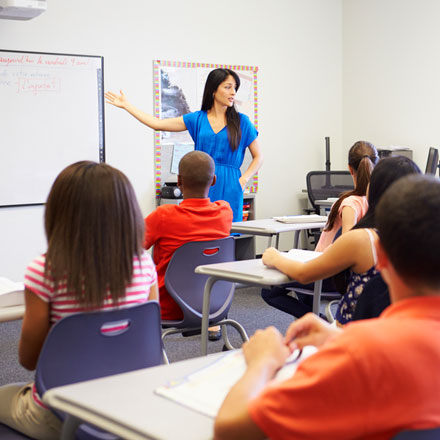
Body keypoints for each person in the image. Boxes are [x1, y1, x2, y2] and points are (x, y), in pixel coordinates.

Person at [214, 174, 440, 439]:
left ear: (382, 259)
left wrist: (262, 362)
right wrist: (339, 339)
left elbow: (230, 430)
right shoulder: (366, 347)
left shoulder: (362, 355)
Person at [0, 161, 158, 440]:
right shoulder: (144, 265)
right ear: (128, 212)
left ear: (60, 212)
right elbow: (150, 338)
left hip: (59, 414)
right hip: (127, 408)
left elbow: (28, 359)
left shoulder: (45, 271)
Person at [262, 156, 421, 325]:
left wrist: (276, 257)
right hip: (395, 334)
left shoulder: (363, 239)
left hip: (353, 337)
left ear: (373, 189)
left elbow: (304, 273)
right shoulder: (419, 242)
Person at [105, 68, 263, 222]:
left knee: (228, 234)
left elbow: (258, 157)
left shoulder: (242, 121)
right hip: (202, 182)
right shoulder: (197, 119)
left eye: (235, 88)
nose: (233, 92)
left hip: (231, 184)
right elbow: (157, 124)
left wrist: (243, 180)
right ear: (213, 90)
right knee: (200, 231)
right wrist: (127, 106)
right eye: (228, 87)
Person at [144, 150, 233, 340]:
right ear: (214, 180)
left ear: (179, 181)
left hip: (169, 307)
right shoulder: (224, 212)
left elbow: (129, 249)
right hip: (215, 303)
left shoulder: (163, 216)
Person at [315, 140, 378, 252]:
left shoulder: (350, 204)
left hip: (325, 264)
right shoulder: (377, 202)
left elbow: (346, 248)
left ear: (350, 169)